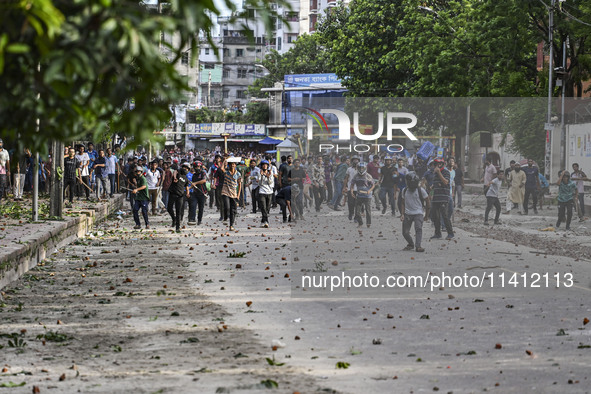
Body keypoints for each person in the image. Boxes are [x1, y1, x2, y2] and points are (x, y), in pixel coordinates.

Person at [401, 172, 430, 252]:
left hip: (418, 213)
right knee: (405, 232)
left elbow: (427, 201)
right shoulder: (404, 190)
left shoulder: (421, 190)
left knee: (418, 228)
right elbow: (403, 202)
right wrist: (402, 214)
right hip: (408, 213)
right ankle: (411, 244)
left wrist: (426, 215)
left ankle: (418, 246)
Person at [430, 157, 454, 240]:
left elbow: (445, 182)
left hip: (444, 198)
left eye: (439, 164)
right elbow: (434, 185)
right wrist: (431, 192)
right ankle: (437, 233)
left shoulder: (446, 172)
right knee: (435, 216)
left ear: (442, 164)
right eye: (436, 164)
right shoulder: (434, 174)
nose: (437, 165)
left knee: (445, 216)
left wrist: (439, 172)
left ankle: (450, 233)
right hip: (436, 198)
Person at [220, 157, 242, 231]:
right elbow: (221, 168)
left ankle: (231, 225)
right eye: (231, 164)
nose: (232, 165)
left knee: (233, 210)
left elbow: (240, 185)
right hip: (225, 192)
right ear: (229, 165)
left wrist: (238, 195)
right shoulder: (226, 172)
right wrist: (225, 160)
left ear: (235, 165)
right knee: (227, 207)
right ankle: (225, 217)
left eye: (233, 164)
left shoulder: (238, 174)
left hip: (234, 194)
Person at [351, 162, 375, 228]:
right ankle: (360, 222)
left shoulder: (368, 176)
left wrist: (369, 190)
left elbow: (373, 185)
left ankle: (368, 223)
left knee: (368, 210)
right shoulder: (356, 176)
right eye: (360, 168)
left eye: (362, 168)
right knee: (357, 211)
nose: (361, 170)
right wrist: (351, 191)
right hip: (359, 195)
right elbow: (352, 184)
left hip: (367, 196)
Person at [168, 163, 190, 232]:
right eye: (184, 167)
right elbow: (175, 171)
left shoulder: (186, 178)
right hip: (172, 193)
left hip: (180, 196)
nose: (185, 169)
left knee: (178, 212)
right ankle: (173, 219)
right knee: (169, 208)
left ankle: (177, 227)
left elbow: (186, 187)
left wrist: (187, 193)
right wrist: (175, 178)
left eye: (186, 168)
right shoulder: (178, 173)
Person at [257, 160, 275, 228]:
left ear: (267, 166)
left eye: (266, 165)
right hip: (262, 192)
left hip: (269, 192)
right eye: (263, 165)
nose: (265, 166)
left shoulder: (270, 173)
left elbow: (270, 182)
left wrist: (268, 176)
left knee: (267, 208)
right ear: (261, 166)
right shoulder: (259, 173)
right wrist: (262, 176)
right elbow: (260, 183)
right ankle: (266, 221)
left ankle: (262, 221)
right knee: (263, 208)